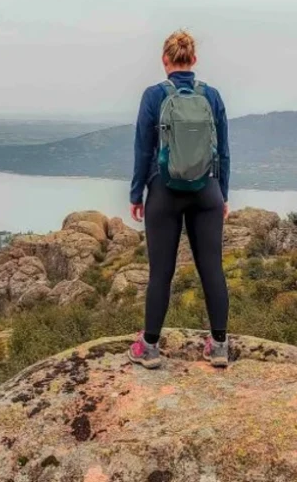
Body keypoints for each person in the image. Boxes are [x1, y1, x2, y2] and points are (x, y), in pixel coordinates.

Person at [128, 30, 231, 369]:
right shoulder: (212, 96)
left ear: (165, 60)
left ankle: (150, 348)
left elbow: (144, 148)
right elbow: (224, 153)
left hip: (164, 192)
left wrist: (136, 193)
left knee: (161, 273)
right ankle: (218, 347)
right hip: (207, 193)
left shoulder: (154, 95)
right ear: (194, 60)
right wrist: (223, 194)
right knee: (212, 268)